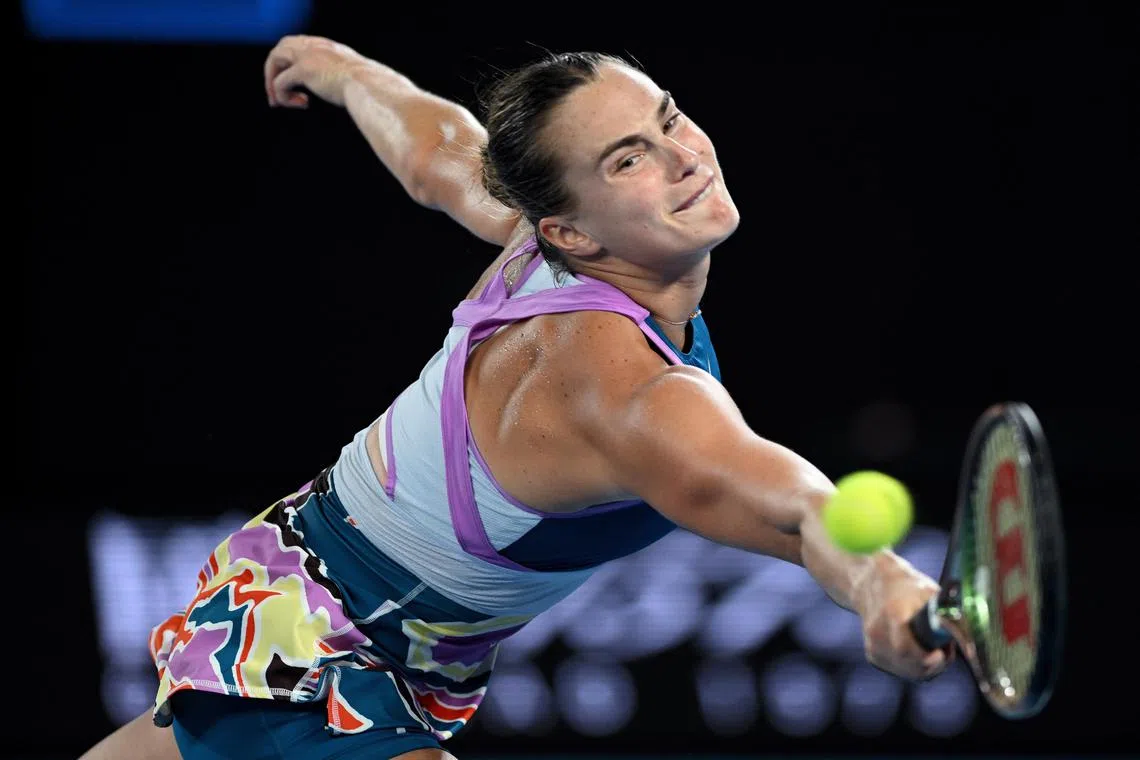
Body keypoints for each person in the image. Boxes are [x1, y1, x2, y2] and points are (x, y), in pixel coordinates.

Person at [81, 34, 951, 760]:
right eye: (629, 159)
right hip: (314, 665)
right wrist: (886, 582)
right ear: (569, 229)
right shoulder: (625, 397)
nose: (686, 157)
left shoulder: (536, 239)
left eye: (669, 118)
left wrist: (345, 72)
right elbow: (798, 508)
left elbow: (438, 151)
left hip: (297, 575)